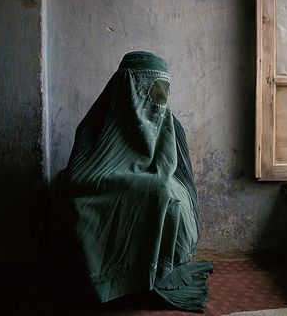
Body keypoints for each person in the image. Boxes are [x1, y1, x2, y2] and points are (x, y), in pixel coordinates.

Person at [51, 51, 212, 313]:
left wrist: (153, 181)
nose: (157, 99)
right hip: (106, 183)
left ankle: (150, 276)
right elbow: (82, 175)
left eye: (163, 92)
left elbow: (176, 173)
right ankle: (111, 280)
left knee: (163, 194)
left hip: (159, 187)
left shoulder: (172, 125)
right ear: (128, 87)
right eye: (149, 90)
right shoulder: (100, 121)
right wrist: (128, 180)